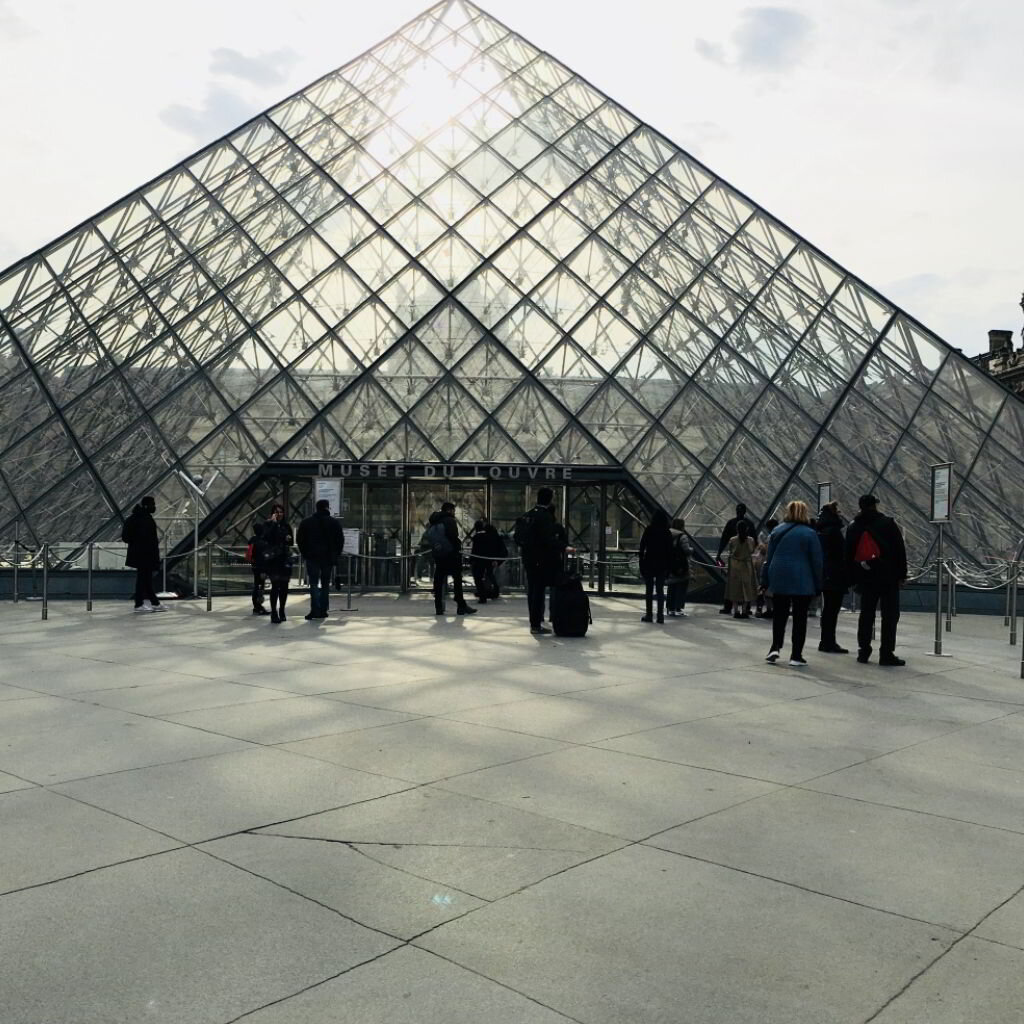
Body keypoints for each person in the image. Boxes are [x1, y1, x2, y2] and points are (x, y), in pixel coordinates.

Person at [845, 494, 908, 666]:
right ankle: (886, 653)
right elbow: (899, 551)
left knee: (866, 614)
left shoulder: (853, 526)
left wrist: (853, 576)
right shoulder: (888, 523)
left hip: (866, 577)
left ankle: (863, 651)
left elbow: (849, 554)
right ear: (875, 505)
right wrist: (902, 575)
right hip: (888, 576)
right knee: (890, 616)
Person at [761, 500, 823, 667]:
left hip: (779, 576)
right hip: (802, 579)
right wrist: (818, 584)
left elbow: (769, 558)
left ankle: (775, 647)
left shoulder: (777, 530)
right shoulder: (809, 533)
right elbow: (817, 561)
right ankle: (796, 655)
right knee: (799, 618)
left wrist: (765, 580)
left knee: (779, 615)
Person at [517, 487, 566, 635]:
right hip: (541, 560)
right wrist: (564, 547)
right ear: (550, 499)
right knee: (538, 592)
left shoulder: (528, 514)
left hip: (528, 559)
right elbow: (548, 539)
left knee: (532, 591)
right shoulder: (545, 517)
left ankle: (534, 623)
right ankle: (536, 625)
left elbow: (518, 537)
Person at [296, 498, 344, 620]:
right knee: (325, 584)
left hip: (312, 557)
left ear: (316, 508)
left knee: (313, 583)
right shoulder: (334, 523)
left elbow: (300, 540)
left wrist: (305, 553)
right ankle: (323, 610)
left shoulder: (306, 522)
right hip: (328, 558)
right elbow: (340, 540)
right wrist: (335, 554)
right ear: (327, 508)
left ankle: (314, 610)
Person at [426, 501, 476, 616]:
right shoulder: (449, 520)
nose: (454, 512)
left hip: (439, 555)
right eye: (453, 510)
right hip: (451, 555)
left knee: (438, 581)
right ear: (449, 510)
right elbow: (453, 537)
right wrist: (457, 547)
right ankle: (461, 605)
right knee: (457, 580)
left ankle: (438, 607)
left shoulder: (434, 520)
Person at [815, 501, 848, 653]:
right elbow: (841, 553)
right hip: (835, 575)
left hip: (824, 574)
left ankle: (825, 640)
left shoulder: (820, 530)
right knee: (832, 610)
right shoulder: (834, 531)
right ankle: (829, 641)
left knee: (827, 609)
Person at [122, 495, 165, 612]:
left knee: (145, 579)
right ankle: (139, 604)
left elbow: (126, 537)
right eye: (153, 504)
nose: (154, 507)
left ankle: (154, 603)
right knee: (143, 579)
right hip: (145, 554)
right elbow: (148, 539)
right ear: (146, 505)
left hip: (140, 553)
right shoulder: (144, 519)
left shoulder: (135, 518)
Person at [717, 502, 757, 613]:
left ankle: (729, 607)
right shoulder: (750, 525)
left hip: (734, 563)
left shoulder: (731, 524)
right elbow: (754, 543)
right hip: (746, 563)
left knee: (732, 585)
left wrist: (719, 555)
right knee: (747, 585)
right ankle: (746, 608)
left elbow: (724, 539)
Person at [259, 503, 294, 624]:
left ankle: (282, 610)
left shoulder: (286, 525)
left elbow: (290, 542)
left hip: (284, 559)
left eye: (281, 512)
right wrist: (273, 524)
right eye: (277, 512)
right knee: (275, 586)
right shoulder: (268, 525)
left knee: (284, 587)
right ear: (272, 513)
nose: (279, 514)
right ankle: (274, 612)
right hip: (274, 561)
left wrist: (289, 538)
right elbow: (266, 538)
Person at [638, 508, 673, 623]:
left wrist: (641, 563)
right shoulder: (667, 532)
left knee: (649, 590)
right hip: (662, 564)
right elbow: (670, 551)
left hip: (649, 562)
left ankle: (649, 615)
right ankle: (660, 616)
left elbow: (642, 547)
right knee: (660, 590)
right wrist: (668, 567)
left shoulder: (649, 529)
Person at [468, 518, 506, 603]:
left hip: (480, 560)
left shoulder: (478, 537)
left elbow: (475, 550)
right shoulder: (495, 537)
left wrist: (472, 560)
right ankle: (493, 592)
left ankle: (483, 595)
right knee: (490, 575)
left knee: (479, 577)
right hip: (490, 560)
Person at [725, 520, 758, 618]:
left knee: (735, 589)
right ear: (747, 529)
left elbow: (730, 551)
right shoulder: (751, 540)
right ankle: (744, 611)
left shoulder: (732, 539)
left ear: (737, 529)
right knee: (747, 589)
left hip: (735, 566)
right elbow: (752, 551)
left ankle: (736, 611)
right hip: (747, 566)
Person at [753, 517, 779, 618]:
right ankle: (772, 609)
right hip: (776, 566)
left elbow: (766, 552)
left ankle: (767, 609)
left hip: (767, 565)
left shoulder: (771, 537)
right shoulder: (780, 536)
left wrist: (761, 546)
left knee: (764, 589)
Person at [666, 518, 692, 618]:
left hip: (670, 565)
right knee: (681, 587)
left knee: (671, 587)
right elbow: (686, 550)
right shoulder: (682, 536)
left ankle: (670, 607)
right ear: (682, 526)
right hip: (681, 566)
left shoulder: (667, 534)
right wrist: (691, 550)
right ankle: (678, 608)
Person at [247, 521, 269, 616]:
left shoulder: (252, 540)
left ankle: (256, 606)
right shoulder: (262, 542)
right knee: (260, 587)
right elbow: (264, 557)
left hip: (255, 566)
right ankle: (258, 606)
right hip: (261, 568)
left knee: (257, 585)